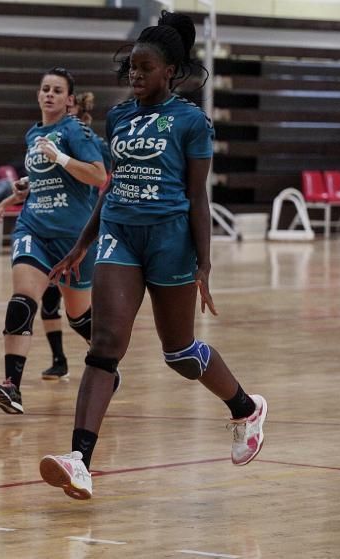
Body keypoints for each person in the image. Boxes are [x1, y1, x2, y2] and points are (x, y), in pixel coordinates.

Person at [39, 11, 268, 500]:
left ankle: (246, 408)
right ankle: (79, 460)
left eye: (145, 68)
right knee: (105, 345)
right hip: (120, 235)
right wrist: (81, 243)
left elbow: (198, 197)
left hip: (171, 241)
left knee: (179, 353)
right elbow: (112, 185)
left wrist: (204, 264)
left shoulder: (191, 121)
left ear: (171, 71)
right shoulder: (119, 116)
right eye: (131, 68)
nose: (135, 76)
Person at [0, 68, 108, 415]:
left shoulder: (75, 130)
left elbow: (98, 175)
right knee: (23, 300)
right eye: (45, 89)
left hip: (73, 238)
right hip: (33, 227)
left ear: (69, 99)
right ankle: (11, 386)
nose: (49, 94)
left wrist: (61, 158)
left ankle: (107, 363)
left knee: (79, 317)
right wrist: (23, 189)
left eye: (57, 90)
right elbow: (46, 176)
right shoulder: (34, 133)